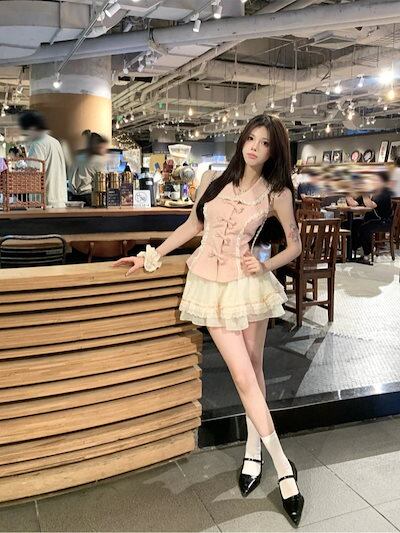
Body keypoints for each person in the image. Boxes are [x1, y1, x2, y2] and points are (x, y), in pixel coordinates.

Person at [113, 114, 304, 526]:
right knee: (242, 375)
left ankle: (253, 451)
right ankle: (285, 468)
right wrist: (152, 256)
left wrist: (264, 264)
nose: (254, 147)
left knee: (254, 369)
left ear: (274, 151)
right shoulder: (212, 179)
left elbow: (295, 246)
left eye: (265, 143)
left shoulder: (277, 192)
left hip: (247, 283)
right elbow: (192, 225)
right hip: (209, 284)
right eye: (250, 138)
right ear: (242, 139)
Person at [18, 110, 67, 208]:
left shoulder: (37, 144)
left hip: (44, 203)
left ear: (32, 128)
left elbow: (33, 173)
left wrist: (18, 174)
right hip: (59, 200)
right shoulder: (55, 142)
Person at [350, 171, 394, 265]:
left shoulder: (383, 193)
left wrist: (364, 194)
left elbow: (370, 205)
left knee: (364, 228)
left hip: (383, 221)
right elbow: (353, 204)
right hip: (370, 219)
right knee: (350, 224)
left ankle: (367, 254)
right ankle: (355, 248)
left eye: (375, 180)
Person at [68, 133, 108, 206]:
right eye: (103, 147)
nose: (105, 150)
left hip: (73, 196)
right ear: (96, 146)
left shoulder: (78, 157)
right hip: (90, 197)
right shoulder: (98, 160)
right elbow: (103, 180)